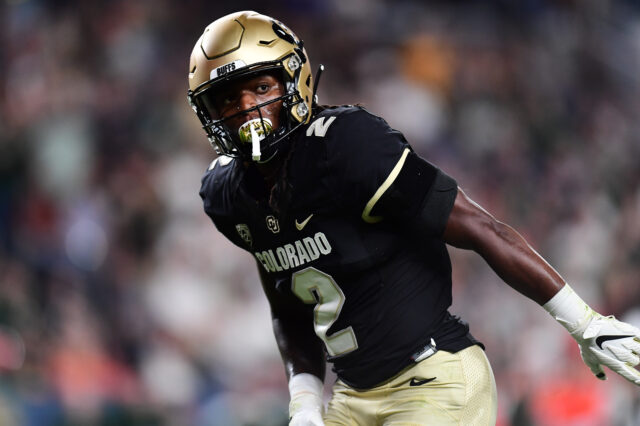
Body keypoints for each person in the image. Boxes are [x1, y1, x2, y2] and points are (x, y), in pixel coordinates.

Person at [187, 10, 640, 425]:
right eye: (227, 100)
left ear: (293, 82)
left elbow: (480, 228)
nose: (247, 110)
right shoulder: (227, 195)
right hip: (352, 397)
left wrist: (584, 323)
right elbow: (287, 306)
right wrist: (304, 403)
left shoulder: (347, 146)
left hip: (434, 377)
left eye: (261, 88)